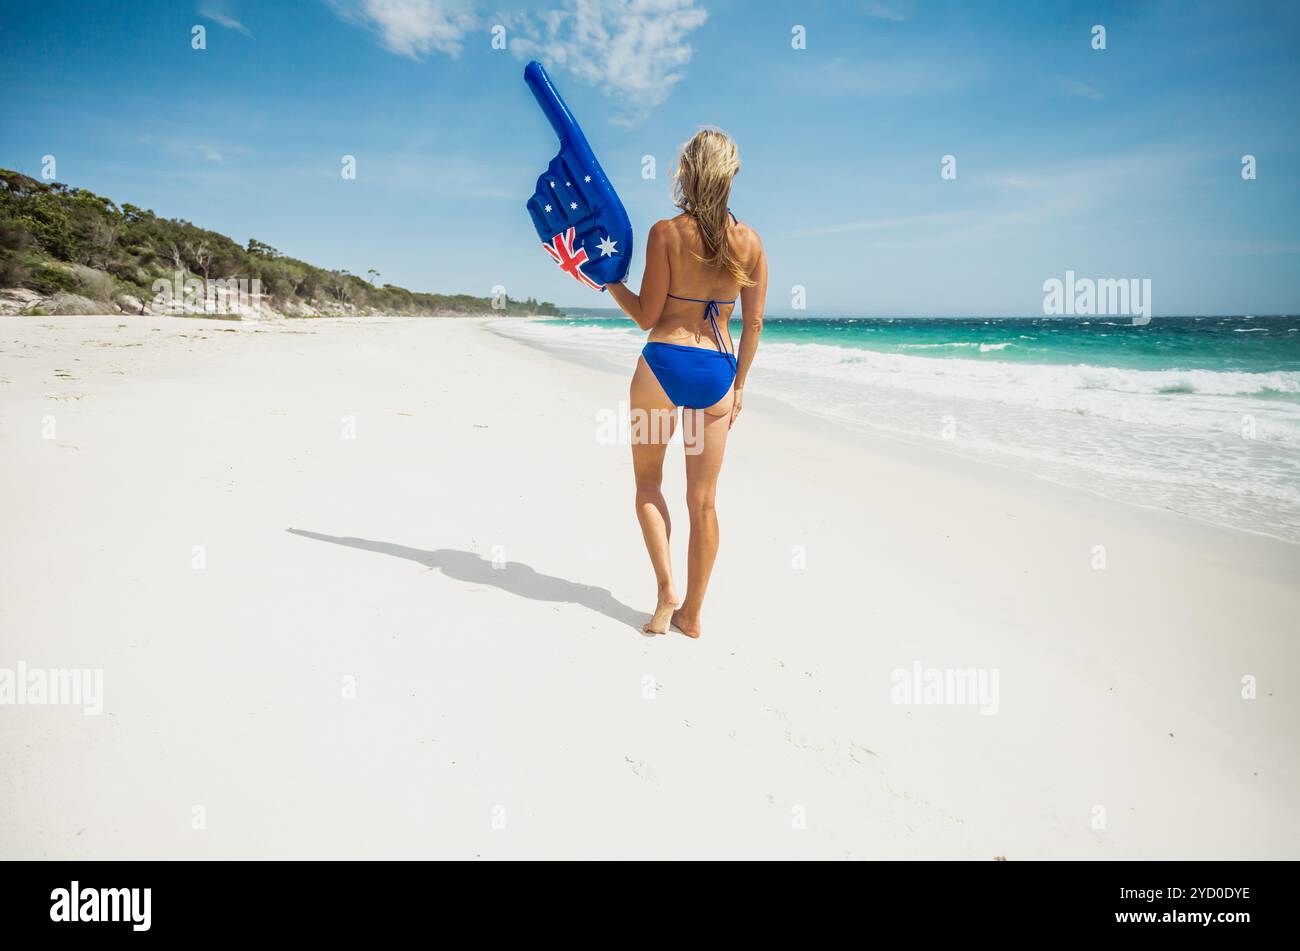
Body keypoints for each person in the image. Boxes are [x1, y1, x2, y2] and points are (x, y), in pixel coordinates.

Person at [606, 128, 768, 638]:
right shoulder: (750, 242)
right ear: (732, 175)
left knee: (649, 484)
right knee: (704, 501)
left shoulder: (666, 233)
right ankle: (693, 614)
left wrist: (610, 282)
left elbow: (646, 315)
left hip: (662, 369)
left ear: (686, 172)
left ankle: (665, 590)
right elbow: (755, 323)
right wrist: (738, 385)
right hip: (715, 375)